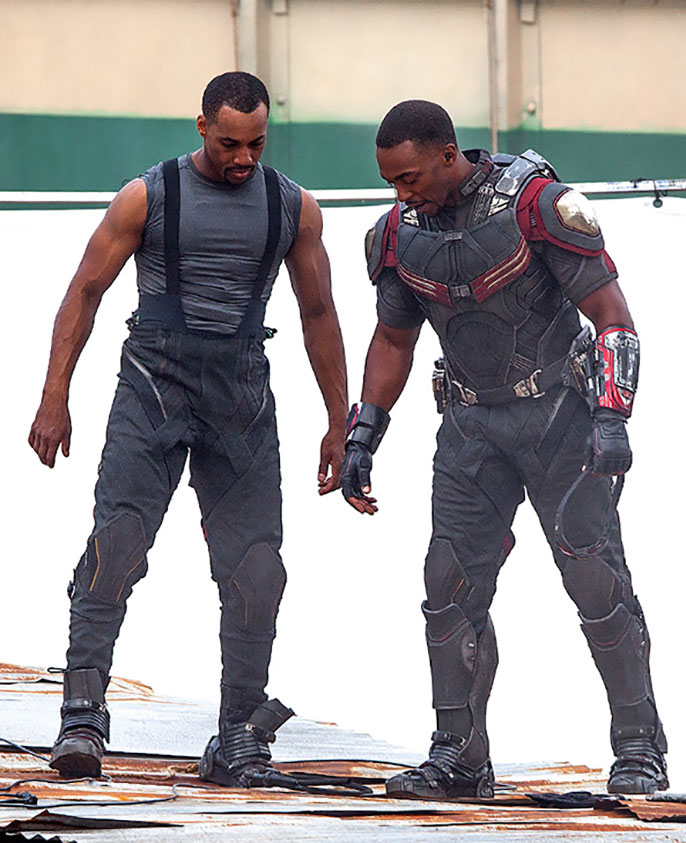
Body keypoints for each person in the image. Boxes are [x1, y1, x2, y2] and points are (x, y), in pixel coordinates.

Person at [341, 100, 667, 799]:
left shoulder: (536, 206)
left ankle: (639, 746)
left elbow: (612, 316)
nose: (400, 193)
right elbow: (393, 340)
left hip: (560, 418)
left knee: (595, 579)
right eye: (390, 181)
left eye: (409, 178)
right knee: (447, 589)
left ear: (448, 154)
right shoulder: (398, 235)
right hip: (470, 428)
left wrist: (612, 417)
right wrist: (363, 431)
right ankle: (458, 757)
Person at [28, 71, 348, 785]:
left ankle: (238, 735)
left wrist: (339, 419)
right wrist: (54, 395)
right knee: (116, 545)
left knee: (257, 570)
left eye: (256, 143)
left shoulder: (293, 206)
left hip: (241, 391)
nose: (243, 158)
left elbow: (319, 312)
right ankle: (81, 717)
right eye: (230, 143)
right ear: (201, 127)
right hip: (155, 383)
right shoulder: (148, 196)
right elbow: (85, 290)